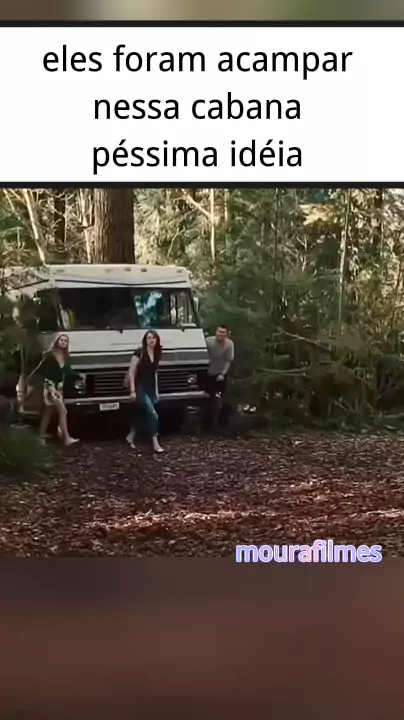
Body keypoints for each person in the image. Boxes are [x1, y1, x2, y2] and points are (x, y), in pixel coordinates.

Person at [36, 334, 80, 446]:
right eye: (61, 340)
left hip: (59, 387)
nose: (63, 342)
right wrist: (50, 383)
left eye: (65, 341)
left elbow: (67, 372)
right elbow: (41, 369)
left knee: (48, 411)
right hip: (51, 388)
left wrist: (79, 376)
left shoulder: (65, 356)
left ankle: (41, 435)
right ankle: (66, 438)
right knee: (63, 411)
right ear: (57, 341)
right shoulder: (49, 355)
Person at [125, 330, 164, 454]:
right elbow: (131, 371)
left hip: (150, 387)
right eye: (149, 338)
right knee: (153, 414)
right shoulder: (139, 352)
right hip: (140, 387)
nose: (151, 340)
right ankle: (155, 443)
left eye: (154, 338)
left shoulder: (157, 353)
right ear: (145, 340)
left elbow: (155, 373)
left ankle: (130, 436)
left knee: (143, 414)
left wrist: (156, 391)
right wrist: (132, 390)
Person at [204, 324, 235, 430]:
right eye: (219, 332)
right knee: (208, 399)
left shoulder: (229, 344)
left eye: (223, 332)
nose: (220, 334)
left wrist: (222, 374)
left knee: (224, 398)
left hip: (220, 374)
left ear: (226, 334)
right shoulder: (209, 341)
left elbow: (228, 361)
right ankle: (206, 424)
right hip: (208, 373)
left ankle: (223, 423)